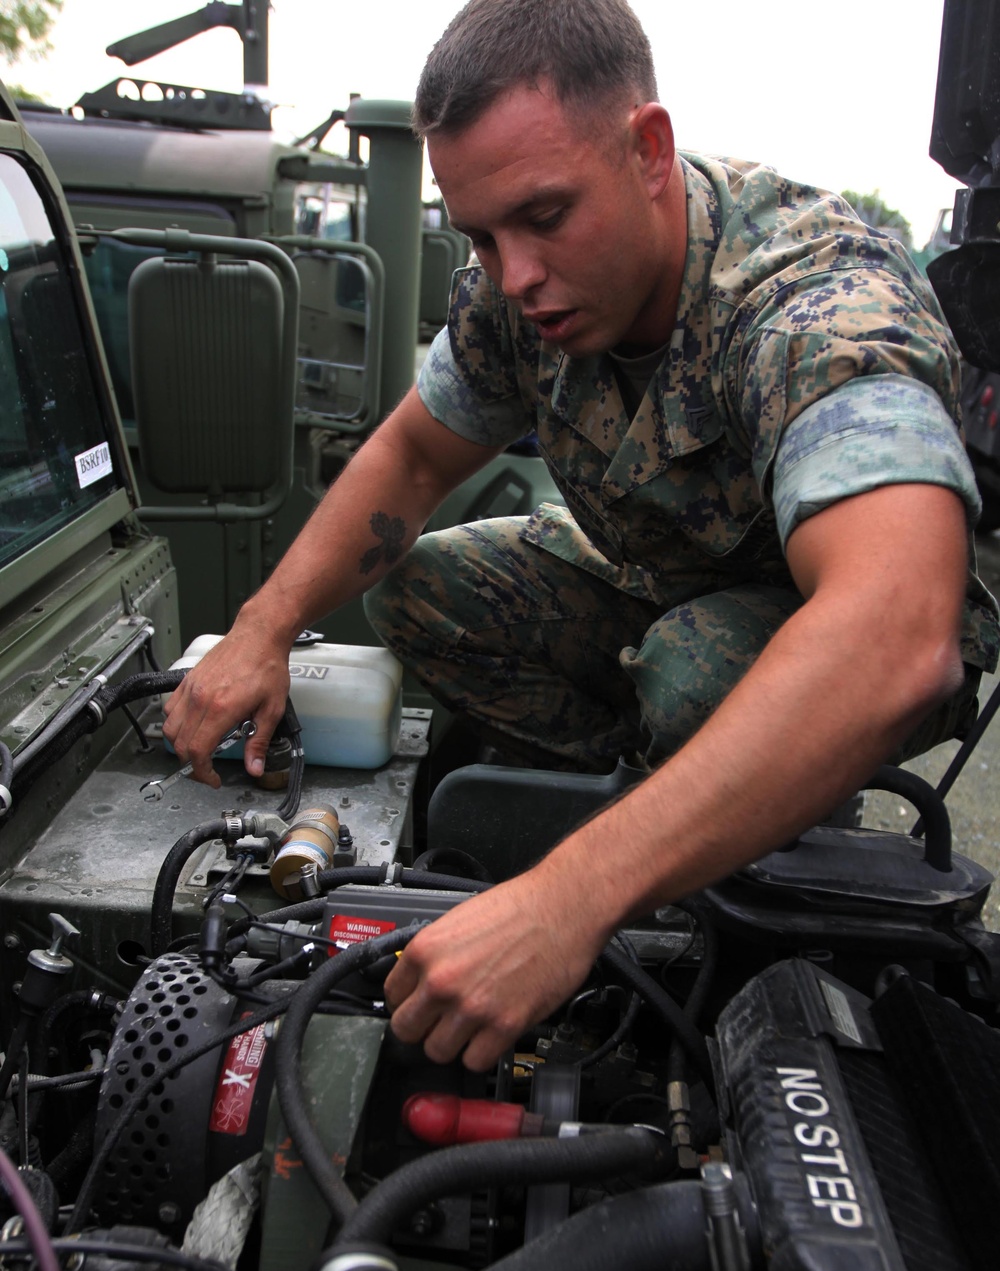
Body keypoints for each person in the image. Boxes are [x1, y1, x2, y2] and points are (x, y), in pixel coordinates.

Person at [163, 0, 998, 1072]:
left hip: (814, 631)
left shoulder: (814, 302)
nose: (512, 275)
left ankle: (707, 870)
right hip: (657, 584)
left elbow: (896, 634)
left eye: (544, 217)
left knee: (692, 678)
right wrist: (261, 628)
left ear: (648, 151)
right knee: (421, 590)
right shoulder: (525, 289)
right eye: (478, 236)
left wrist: (568, 897)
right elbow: (413, 461)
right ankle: (658, 806)